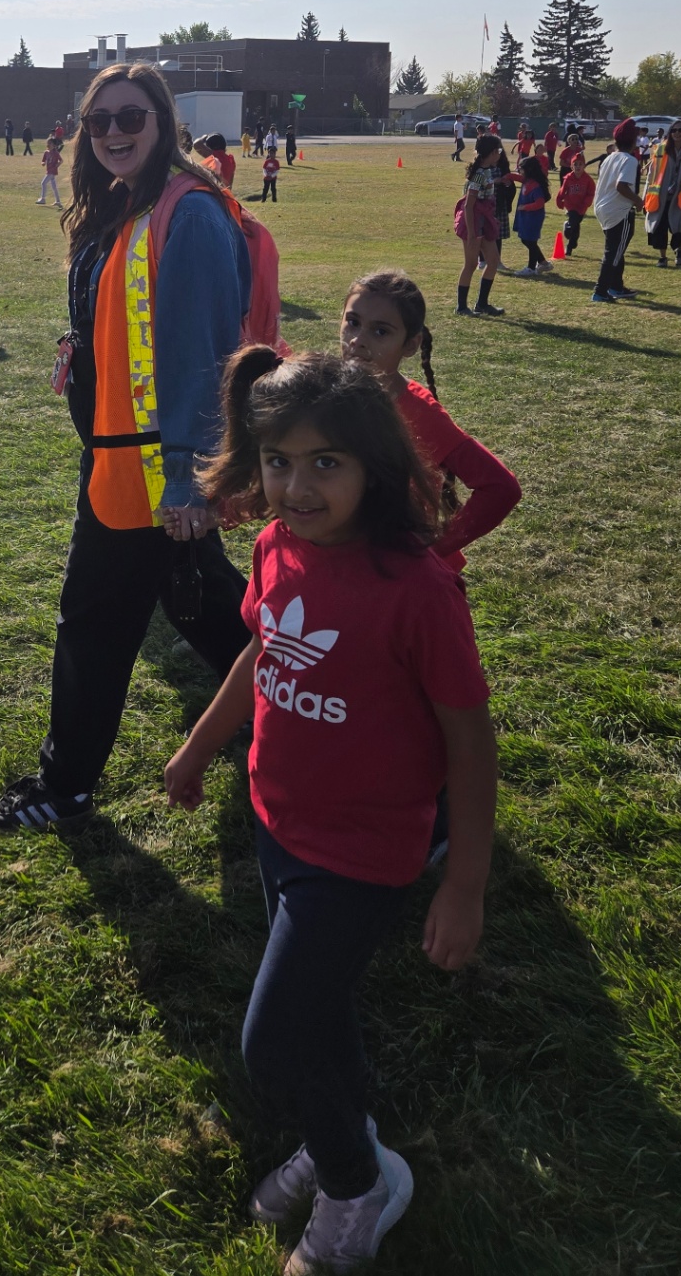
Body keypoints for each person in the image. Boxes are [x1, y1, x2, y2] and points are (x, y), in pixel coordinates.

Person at [163, 348, 495, 1274]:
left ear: (374, 466)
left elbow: (469, 743)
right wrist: (198, 745)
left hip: (362, 851)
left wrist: (462, 882)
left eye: (325, 463)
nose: (295, 485)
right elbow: (258, 655)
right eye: (277, 460)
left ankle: (357, 1182)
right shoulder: (273, 546)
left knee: (272, 1045)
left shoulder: (417, 589)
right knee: (320, 1008)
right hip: (277, 823)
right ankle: (340, 1132)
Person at [0, 62, 252, 835]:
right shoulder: (123, 208)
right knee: (214, 615)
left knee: (92, 621)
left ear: (162, 123)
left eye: (131, 117)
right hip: (119, 460)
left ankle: (64, 785)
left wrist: (192, 480)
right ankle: (323, 718)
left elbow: (205, 354)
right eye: (100, 122)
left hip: (157, 471)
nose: (115, 132)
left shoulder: (186, 212)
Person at [340, 271, 520, 575]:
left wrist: (433, 549)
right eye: (352, 322)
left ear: (410, 345)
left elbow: (500, 487)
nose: (357, 340)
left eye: (380, 332)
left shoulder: (417, 412)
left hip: (406, 579)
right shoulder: (331, 392)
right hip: (355, 565)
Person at [590, 120, 644, 303]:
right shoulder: (629, 160)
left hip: (603, 208)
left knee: (616, 249)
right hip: (618, 212)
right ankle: (601, 291)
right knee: (613, 252)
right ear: (633, 140)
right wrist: (638, 201)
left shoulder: (610, 157)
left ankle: (616, 286)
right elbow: (622, 186)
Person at [455, 135, 505, 317]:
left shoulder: (488, 171)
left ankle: (482, 304)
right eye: (498, 151)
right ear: (491, 153)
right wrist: (472, 234)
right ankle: (461, 307)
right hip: (474, 225)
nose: (499, 154)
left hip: (485, 223)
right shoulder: (478, 175)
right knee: (470, 265)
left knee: (492, 262)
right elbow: (469, 206)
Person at [642, 120, 681, 268]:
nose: (677, 133)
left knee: (678, 227)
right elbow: (651, 174)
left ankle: (678, 249)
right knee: (659, 227)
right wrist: (645, 196)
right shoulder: (661, 149)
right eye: (674, 130)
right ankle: (662, 258)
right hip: (660, 196)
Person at [510, 155, 551, 274]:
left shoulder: (535, 186)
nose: (519, 170)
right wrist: (505, 177)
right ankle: (544, 263)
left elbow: (539, 203)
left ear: (528, 170)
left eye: (521, 168)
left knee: (530, 241)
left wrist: (525, 207)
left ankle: (531, 268)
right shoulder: (526, 180)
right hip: (526, 217)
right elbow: (515, 177)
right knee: (526, 240)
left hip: (533, 218)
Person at [554, 155, 595, 256]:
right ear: (571, 166)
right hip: (570, 205)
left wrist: (587, 202)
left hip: (581, 206)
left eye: (580, 164)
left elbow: (591, 193)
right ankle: (569, 246)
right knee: (574, 222)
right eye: (575, 164)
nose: (578, 167)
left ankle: (570, 233)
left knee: (575, 224)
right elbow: (563, 190)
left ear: (584, 166)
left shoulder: (588, 179)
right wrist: (559, 199)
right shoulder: (568, 178)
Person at [38, 136, 62, 207]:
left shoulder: (56, 153)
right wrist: (43, 163)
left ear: (54, 145)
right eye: (48, 143)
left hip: (52, 171)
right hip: (48, 170)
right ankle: (58, 201)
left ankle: (43, 198)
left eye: (50, 143)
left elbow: (61, 160)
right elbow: (43, 160)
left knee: (43, 183)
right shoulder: (46, 152)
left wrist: (57, 164)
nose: (48, 145)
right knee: (54, 187)